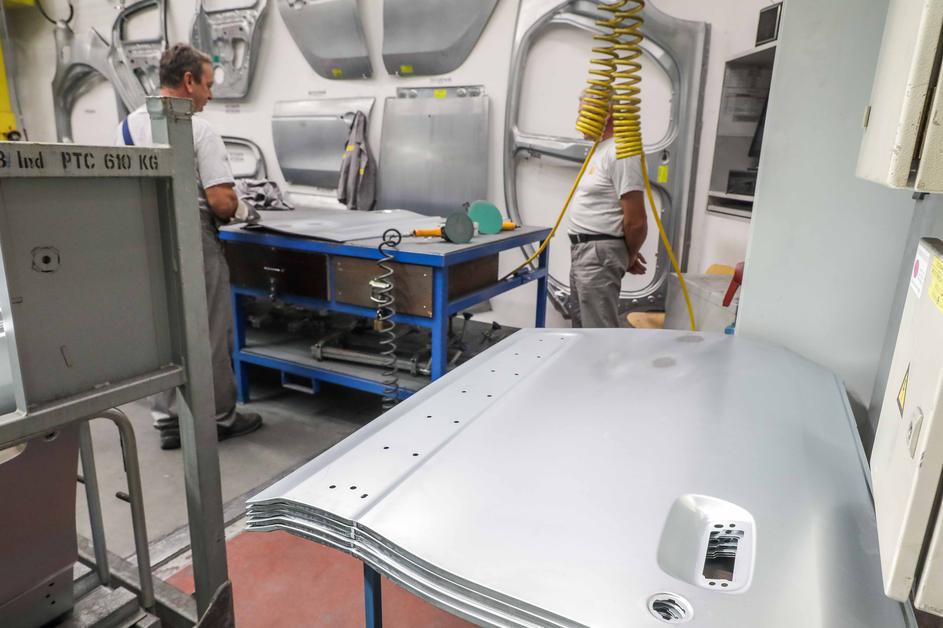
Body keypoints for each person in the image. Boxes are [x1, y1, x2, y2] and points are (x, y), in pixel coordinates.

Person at [116, 43, 262, 450]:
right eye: (208, 85)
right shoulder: (199, 129)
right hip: (193, 240)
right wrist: (243, 208)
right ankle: (219, 418)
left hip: (145, 242)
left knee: (163, 334)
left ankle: (167, 420)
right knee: (209, 330)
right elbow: (220, 202)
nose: (210, 95)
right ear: (188, 81)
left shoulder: (127, 127)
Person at [567, 92, 649, 328]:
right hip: (585, 252)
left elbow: (636, 221)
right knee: (583, 330)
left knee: (598, 333)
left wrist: (628, 255)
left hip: (597, 254)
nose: (579, 119)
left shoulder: (622, 150)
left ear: (607, 113)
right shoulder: (600, 150)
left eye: (584, 111)